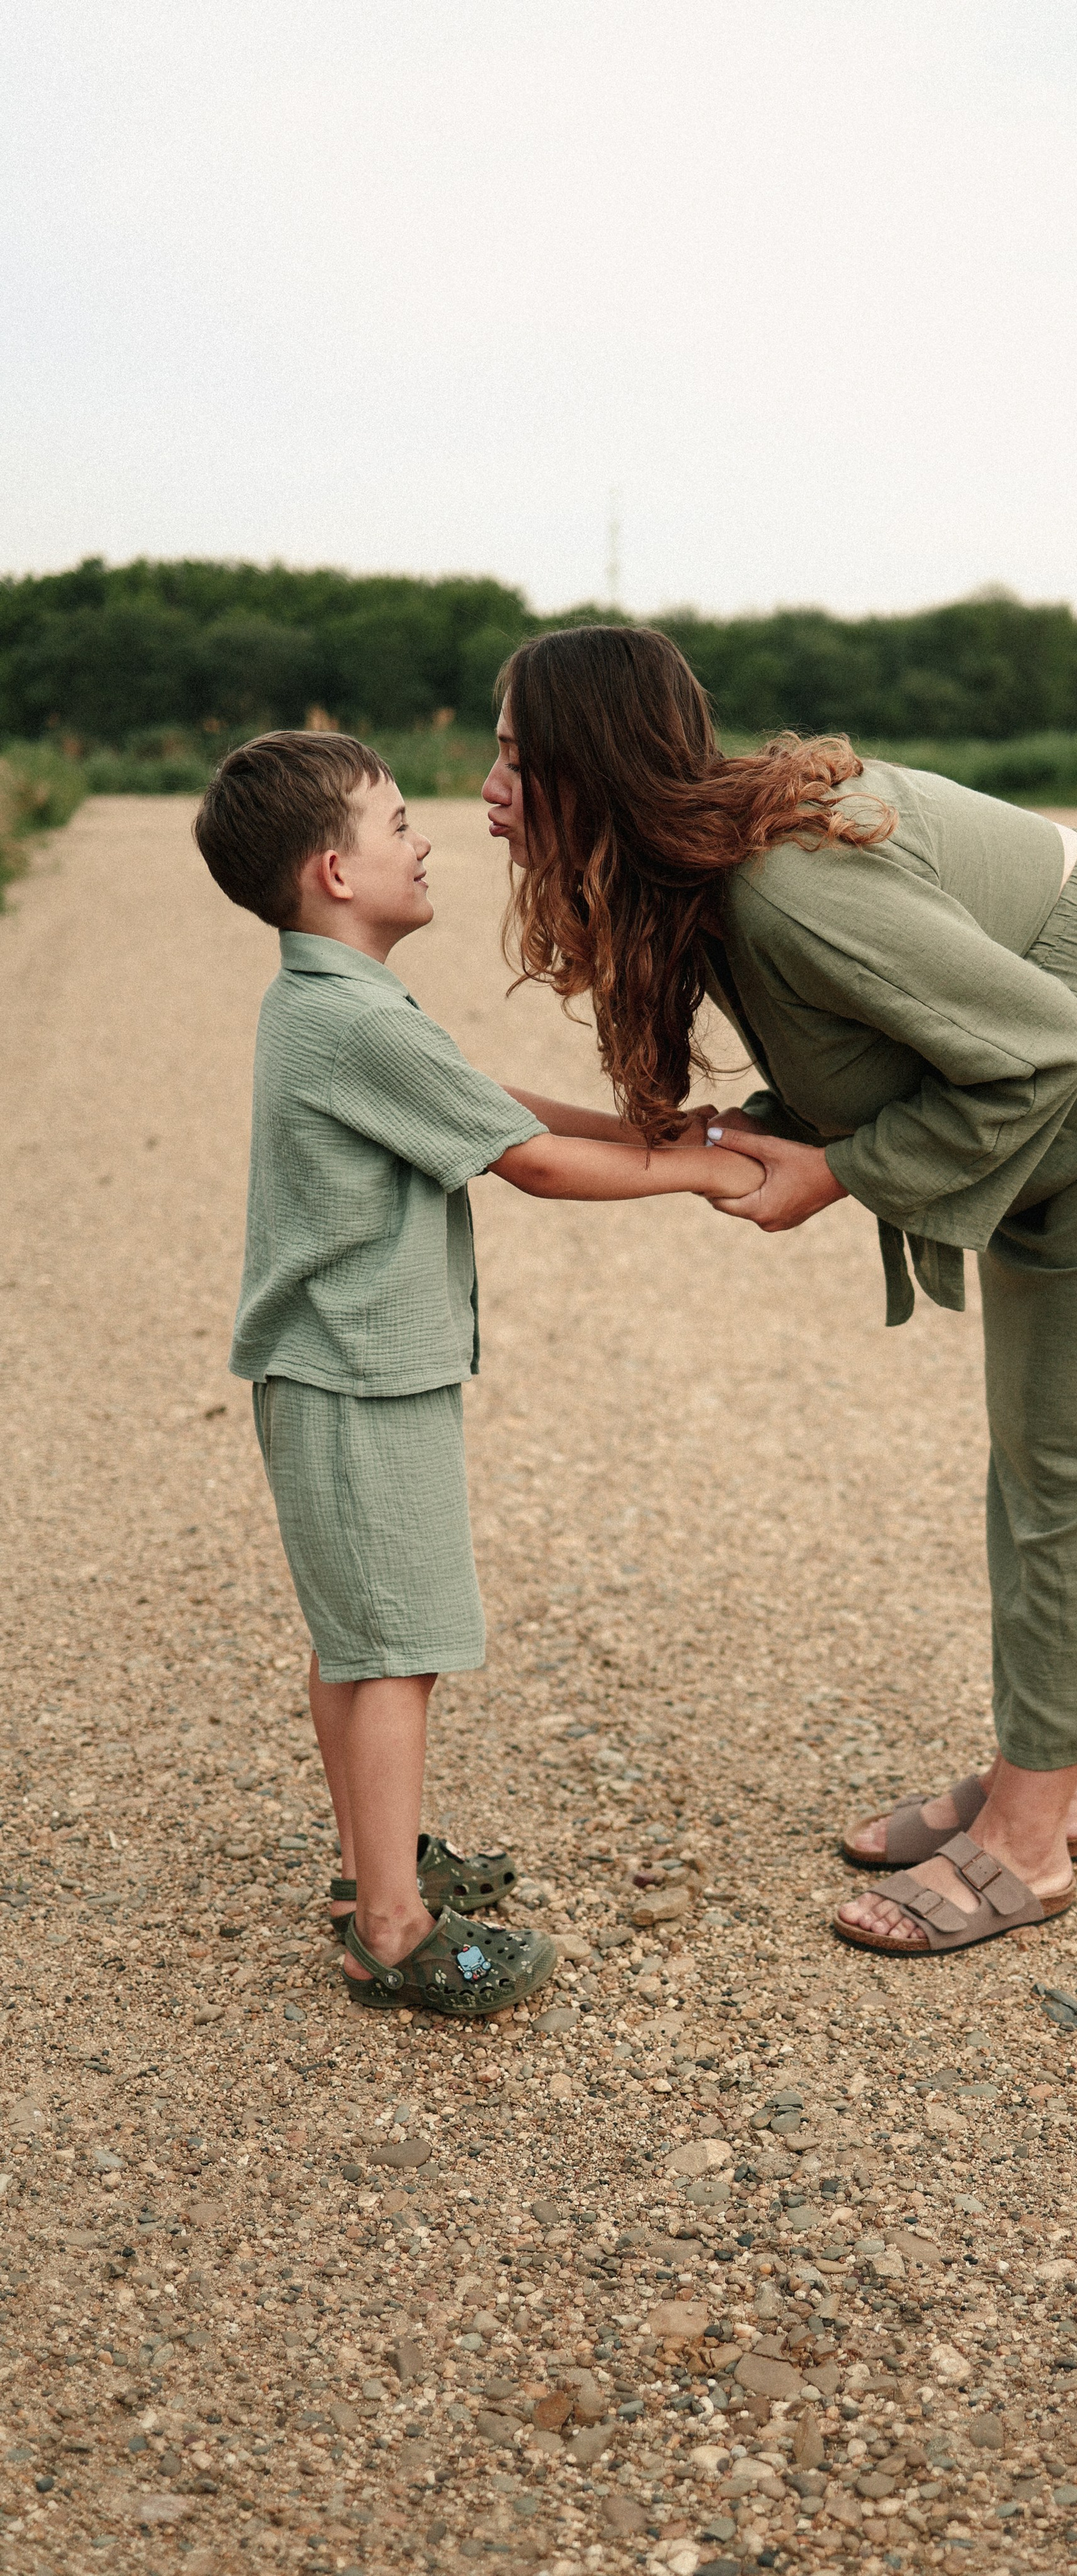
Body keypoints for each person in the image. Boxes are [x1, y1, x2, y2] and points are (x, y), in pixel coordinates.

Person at [484, 629, 1077, 1960]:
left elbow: (1040, 1045)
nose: (489, 788)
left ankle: (1028, 1840)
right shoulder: (711, 866)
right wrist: (757, 1131)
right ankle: (1044, 1777)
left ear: (591, 768)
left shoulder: (787, 889)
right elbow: (891, 1033)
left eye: (515, 757)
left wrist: (841, 1172)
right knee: (1050, 1440)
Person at [195, 729, 763, 2014]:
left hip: (343, 1372)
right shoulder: (352, 1020)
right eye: (399, 824)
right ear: (337, 872)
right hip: (357, 1378)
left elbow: (485, 1098)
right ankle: (391, 1932)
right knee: (397, 1647)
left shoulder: (338, 1004)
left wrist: (656, 1125)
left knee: (362, 1641)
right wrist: (707, 1169)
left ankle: (373, 1866)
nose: (427, 841)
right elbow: (530, 1162)